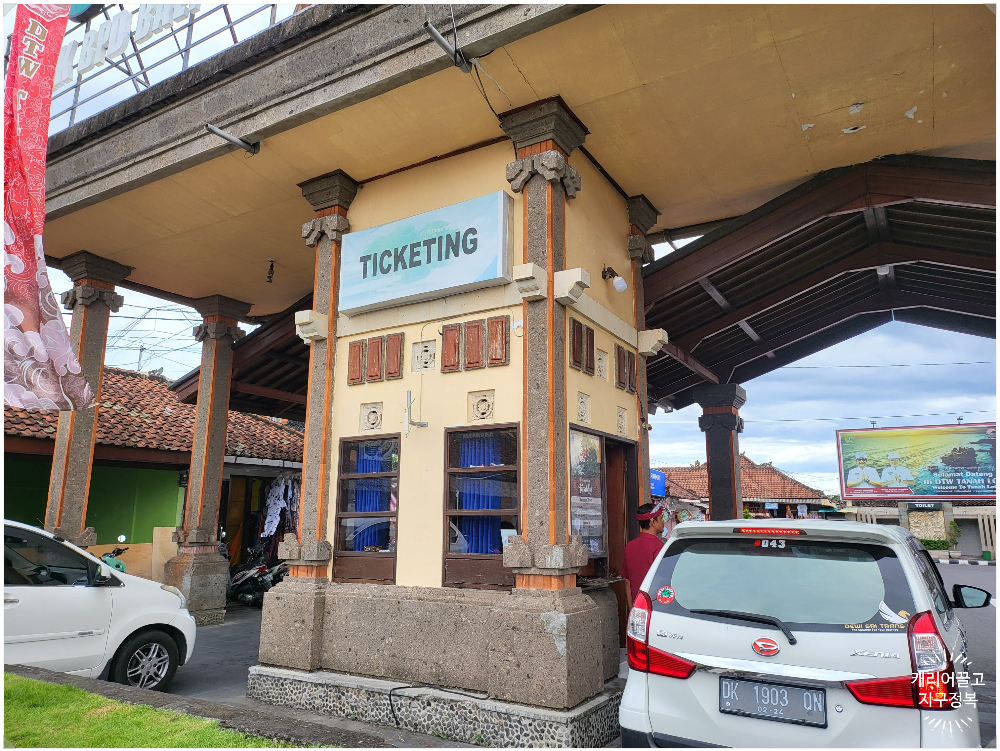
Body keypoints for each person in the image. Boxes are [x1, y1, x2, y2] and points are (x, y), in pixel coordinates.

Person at [621, 502, 666, 605]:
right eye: (661, 518)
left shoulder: (629, 546)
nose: (663, 521)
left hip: (637, 606)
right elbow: (663, 581)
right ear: (652, 522)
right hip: (654, 606)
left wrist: (632, 609)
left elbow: (627, 582)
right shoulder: (659, 547)